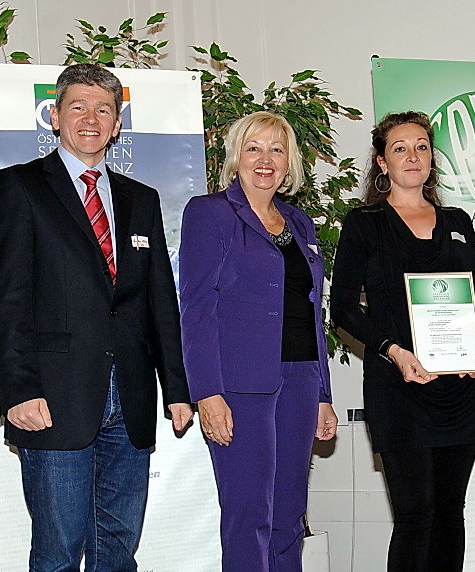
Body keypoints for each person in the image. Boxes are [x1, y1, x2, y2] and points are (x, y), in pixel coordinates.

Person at [0, 63, 193, 571]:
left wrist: (178, 389)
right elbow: (7, 300)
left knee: (118, 548)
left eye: (103, 109)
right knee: (58, 552)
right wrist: (18, 391)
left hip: (132, 398)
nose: (91, 119)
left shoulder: (141, 199)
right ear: (55, 117)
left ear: (117, 124)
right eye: (77, 107)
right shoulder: (19, 187)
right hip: (53, 400)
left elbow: (160, 301)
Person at [330, 111, 475, 572]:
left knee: (450, 515)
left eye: (421, 146)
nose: (412, 156)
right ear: (382, 162)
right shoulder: (364, 223)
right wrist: (394, 351)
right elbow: (343, 308)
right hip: (399, 388)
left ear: (431, 159)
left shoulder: (458, 221)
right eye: (400, 148)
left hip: (459, 389)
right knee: (415, 518)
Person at [179, 111, 338, 572]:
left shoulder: (300, 223)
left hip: (301, 380)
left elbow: (312, 313)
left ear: (289, 163)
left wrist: (323, 395)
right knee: (249, 519)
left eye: (276, 149)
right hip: (238, 387)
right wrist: (207, 392)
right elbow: (196, 309)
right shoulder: (209, 213)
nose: (265, 159)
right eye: (254, 148)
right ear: (236, 157)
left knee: (289, 518)